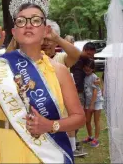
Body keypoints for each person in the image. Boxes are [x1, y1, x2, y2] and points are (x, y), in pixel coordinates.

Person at [0, 0, 85, 163]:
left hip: (46, 150)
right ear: (14, 32)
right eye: (21, 21)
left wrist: (51, 125)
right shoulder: (1, 64)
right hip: (8, 146)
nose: (29, 25)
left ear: (45, 30)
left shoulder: (59, 70)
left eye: (35, 20)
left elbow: (79, 118)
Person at [41, 20, 82, 156]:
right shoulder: (30, 61)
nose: (46, 42)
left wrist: (57, 38)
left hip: (61, 122)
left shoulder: (61, 59)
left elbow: (76, 54)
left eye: (49, 39)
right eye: (43, 38)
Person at [82, 58, 104, 147]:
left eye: (89, 70)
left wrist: (92, 105)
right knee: (87, 121)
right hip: (88, 102)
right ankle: (90, 136)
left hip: (97, 101)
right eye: (85, 70)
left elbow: (95, 91)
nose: (87, 72)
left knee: (96, 120)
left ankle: (96, 139)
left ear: (92, 69)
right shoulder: (84, 76)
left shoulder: (94, 77)